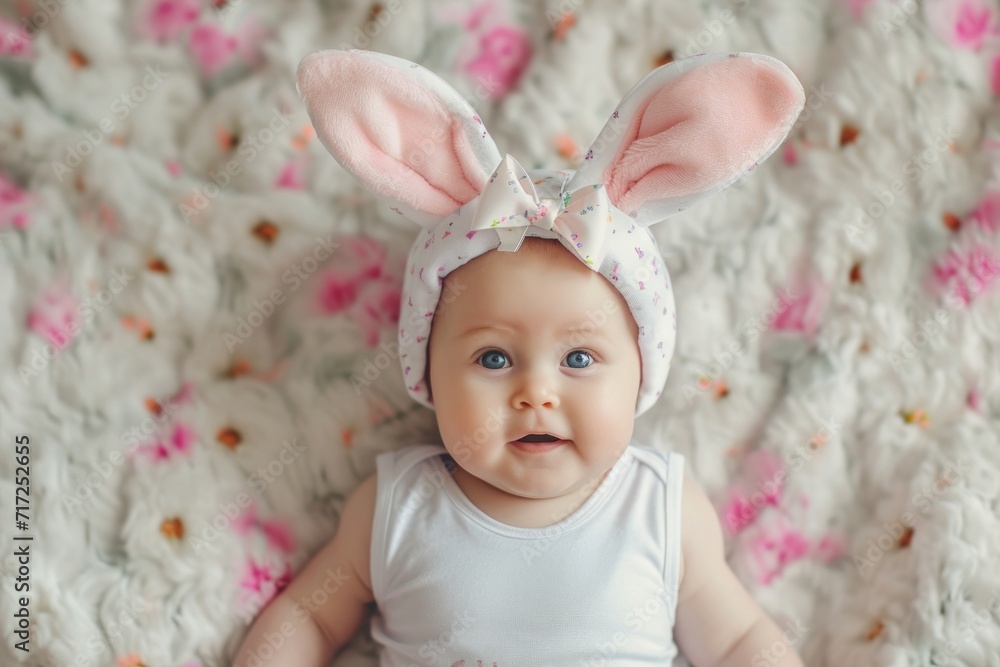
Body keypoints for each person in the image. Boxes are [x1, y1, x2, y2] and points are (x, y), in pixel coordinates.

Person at [231, 47, 807, 666]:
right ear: (427, 370)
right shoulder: (396, 509)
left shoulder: (660, 509)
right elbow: (309, 616)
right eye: (494, 359)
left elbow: (742, 643)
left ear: (643, 370)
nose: (537, 394)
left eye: (580, 359)